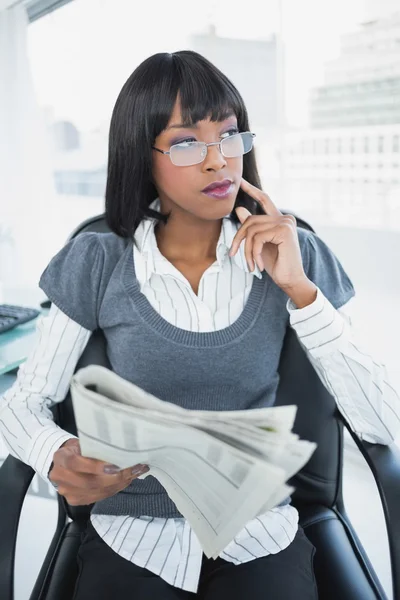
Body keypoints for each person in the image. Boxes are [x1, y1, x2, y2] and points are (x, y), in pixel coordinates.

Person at [1, 50, 399, 600]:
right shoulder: (98, 261)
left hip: (258, 531)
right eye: (187, 142)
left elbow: (386, 424)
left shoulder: (295, 255)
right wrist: (54, 452)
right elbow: (22, 404)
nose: (219, 162)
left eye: (230, 135)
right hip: (131, 532)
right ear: (142, 156)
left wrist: (301, 293)